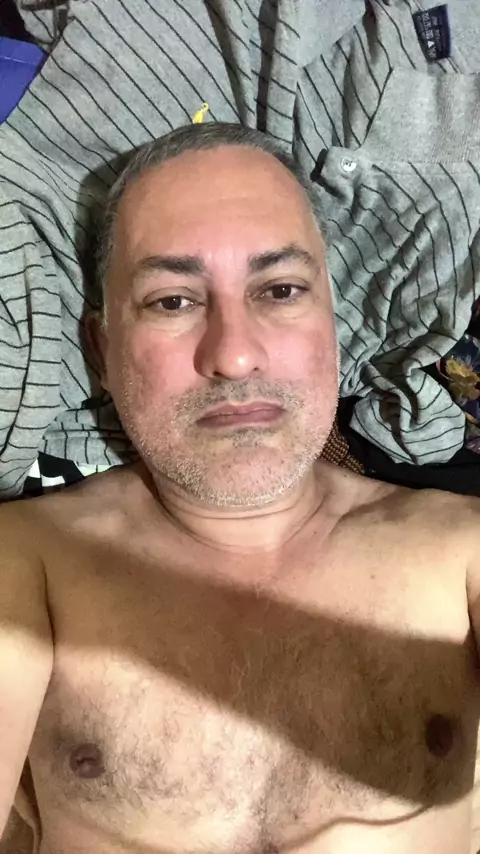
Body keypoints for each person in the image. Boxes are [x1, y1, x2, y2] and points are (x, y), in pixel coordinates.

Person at [1, 121, 480, 854]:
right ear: (101, 351)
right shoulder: (26, 565)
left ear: (331, 326)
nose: (234, 355)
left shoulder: (461, 551)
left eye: (280, 289)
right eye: (172, 301)